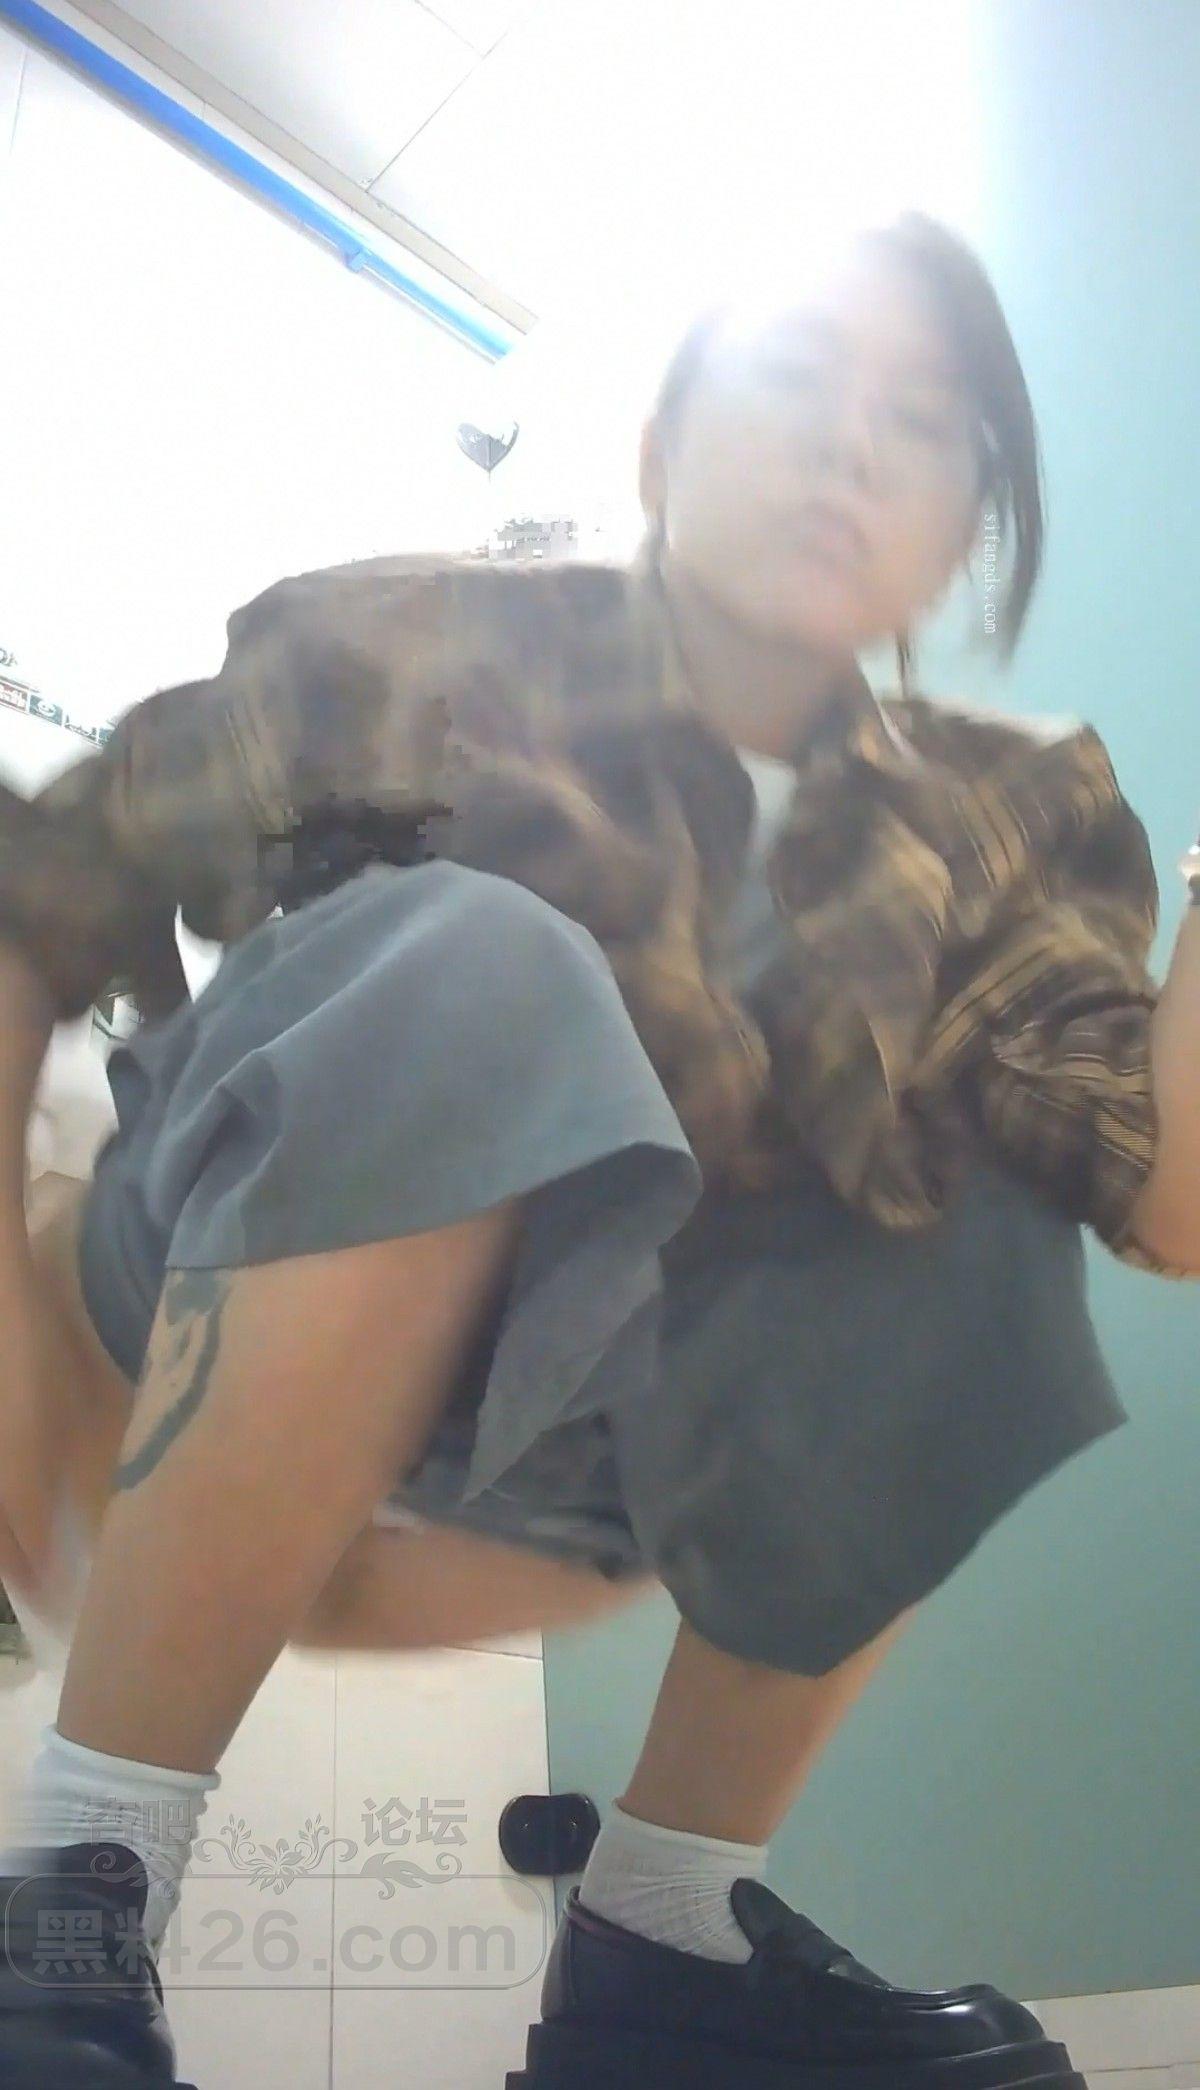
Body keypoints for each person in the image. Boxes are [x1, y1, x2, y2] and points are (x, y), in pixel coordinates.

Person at [0, 211, 1197, 2090]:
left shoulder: (1008, 819)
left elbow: (1167, 1210)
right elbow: (35, 895)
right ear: (659, 445)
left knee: (974, 1195)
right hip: (236, 1264)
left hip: (586, 1432)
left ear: (968, 520)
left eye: (922, 420)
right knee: (490, 957)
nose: (851, 444)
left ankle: (666, 1944)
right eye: (797, 379)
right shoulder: (423, 640)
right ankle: (77, 1884)